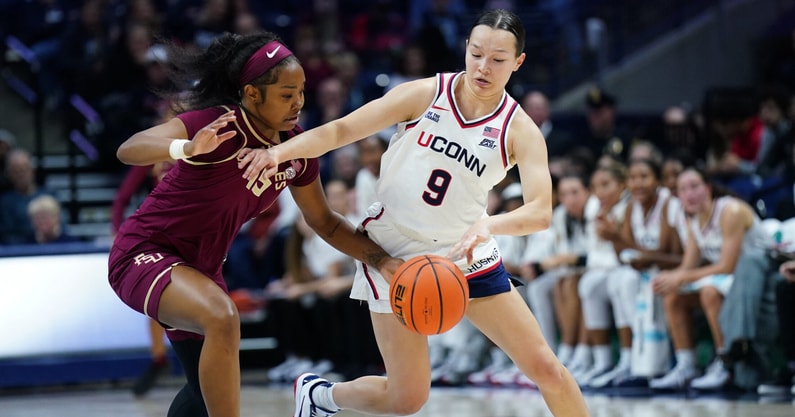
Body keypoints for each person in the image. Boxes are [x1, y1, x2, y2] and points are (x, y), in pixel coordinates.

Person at [242, 10, 590, 417]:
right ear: (465, 48)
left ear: (518, 62)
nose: (483, 66)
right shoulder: (425, 95)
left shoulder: (520, 129)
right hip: (394, 253)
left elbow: (541, 212)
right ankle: (320, 396)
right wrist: (279, 151)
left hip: (465, 253)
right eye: (476, 53)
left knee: (547, 368)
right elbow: (341, 131)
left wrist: (488, 225)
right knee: (407, 399)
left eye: (498, 59)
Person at [108, 31, 400, 417]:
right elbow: (129, 149)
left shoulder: (298, 150)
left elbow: (325, 222)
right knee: (223, 318)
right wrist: (188, 148)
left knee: (202, 393)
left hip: (201, 270)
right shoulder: (217, 124)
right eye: (285, 93)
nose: (298, 102)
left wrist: (381, 260)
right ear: (251, 95)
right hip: (144, 252)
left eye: (301, 91)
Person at [649, 167, 766, 391]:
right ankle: (686, 365)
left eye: (694, 186)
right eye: (683, 189)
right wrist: (670, 278)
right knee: (672, 295)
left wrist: (681, 276)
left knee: (709, 291)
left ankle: (725, 363)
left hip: (756, 280)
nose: (689, 193)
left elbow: (727, 266)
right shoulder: (694, 220)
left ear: (708, 189)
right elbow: (688, 265)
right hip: (731, 281)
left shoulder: (730, 211)